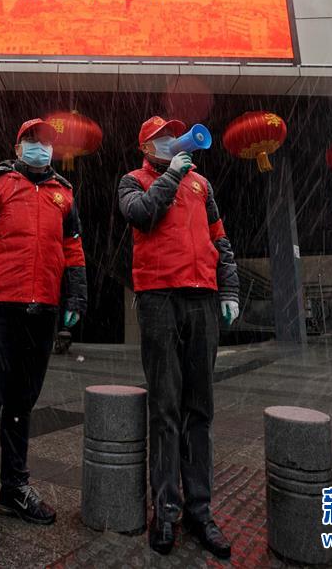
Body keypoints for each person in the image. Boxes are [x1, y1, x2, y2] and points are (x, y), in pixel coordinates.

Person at [0, 118, 87, 560]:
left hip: (42, 310)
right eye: (32, 140)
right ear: (17, 147)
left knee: (21, 404)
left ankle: (13, 488)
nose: (40, 147)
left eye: (46, 141)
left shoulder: (64, 194)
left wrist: (76, 297)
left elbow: (73, 250)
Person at [118, 116, 239, 559]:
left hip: (201, 297)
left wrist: (229, 288)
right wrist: (170, 176)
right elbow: (142, 215)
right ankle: (166, 510)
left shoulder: (201, 185)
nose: (172, 141)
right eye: (162, 138)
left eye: (175, 135)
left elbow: (219, 239)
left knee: (199, 408)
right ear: (145, 147)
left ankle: (200, 511)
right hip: (159, 298)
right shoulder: (133, 181)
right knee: (166, 407)